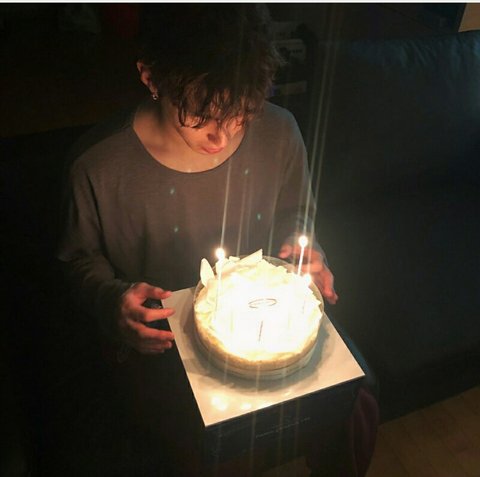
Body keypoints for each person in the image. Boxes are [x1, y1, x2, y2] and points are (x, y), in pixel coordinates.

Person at [57, 4, 375, 476]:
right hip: (163, 344)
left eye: (241, 112)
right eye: (202, 113)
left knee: (355, 402)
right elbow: (78, 260)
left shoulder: (279, 131)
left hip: (268, 326)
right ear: (151, 76)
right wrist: (112, 300)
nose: (221, 136)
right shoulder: (98, 167)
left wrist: (306, 249)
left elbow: (296, 213)